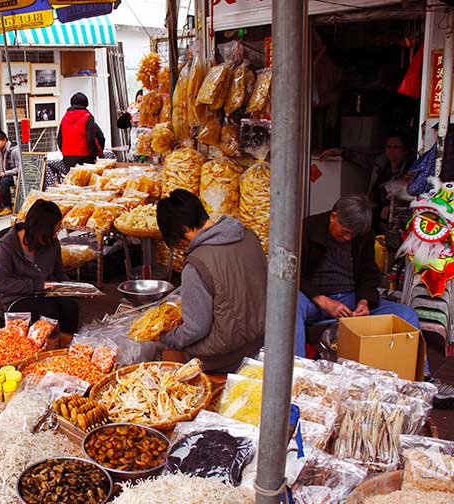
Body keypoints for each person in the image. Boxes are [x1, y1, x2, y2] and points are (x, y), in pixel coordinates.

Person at [295, 195, 421, 357]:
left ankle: (420, 376)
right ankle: (296, 369)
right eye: (345, 232)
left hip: (350, 300)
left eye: (352, 235)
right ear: (334, 217)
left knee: (406, 314)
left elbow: (369, 272)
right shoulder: (307, 228)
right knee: (292, 305)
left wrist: (364, 301)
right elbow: (294, 273)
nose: (348, 238)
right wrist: (324, 301)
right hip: (313, 300)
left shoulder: (363, 235)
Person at [157, 190, 267, 372]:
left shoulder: (196, 263)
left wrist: (166, 337)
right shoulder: (249, 236)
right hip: (260, 340)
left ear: (184, 229)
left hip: (226, 355)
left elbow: (195, 329)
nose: (180, 245)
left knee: (165, 348)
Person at [0, 199, 78, 334]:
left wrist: (75, 289)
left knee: (70, 306)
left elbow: (58, 272)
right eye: (53, 231)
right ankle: (49, 349)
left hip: (45, 293)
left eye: (57, 230)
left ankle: (67, 347)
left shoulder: (52, 242)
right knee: (48, 312)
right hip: (18, 299)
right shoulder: (8, 246)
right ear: (39, 230)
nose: (56, 235)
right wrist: (37, 285)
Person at [320, 132, 415, 232]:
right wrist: (340, 152)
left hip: (399, 214)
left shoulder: (411, 168)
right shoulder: (380, 163)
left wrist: (392, 207)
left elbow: (410, 194)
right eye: (388, 146)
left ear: (405, 150)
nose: (391, 150)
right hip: (377, 210)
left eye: (396, 147)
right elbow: (360, 157)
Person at [56, 92, 106, 171]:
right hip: (85, 157)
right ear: (86, 104)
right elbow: (91, 139)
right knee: (87, 182)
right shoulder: (88, 117)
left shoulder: (64, 118)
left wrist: (65, 153)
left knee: (72, 181)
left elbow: (59, 139)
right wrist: (94, 155)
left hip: (68, 158)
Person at [0, 131, 20, 213]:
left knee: (4, 182)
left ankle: (8, 206)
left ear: (4, 140)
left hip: (15, 175)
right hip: (5, 173)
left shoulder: (15, 150)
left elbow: (19, 168)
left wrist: (5, 173)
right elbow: (2, 164)